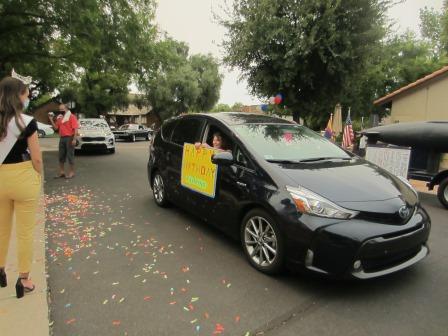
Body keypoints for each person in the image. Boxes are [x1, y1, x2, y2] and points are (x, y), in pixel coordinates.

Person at [0, 76, 42, 298]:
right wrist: (38, 175)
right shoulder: (27, 122)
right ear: (18, 96)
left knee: (1, 229)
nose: (28, 98)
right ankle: (23, 279)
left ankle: (0, 271)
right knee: (24, 232)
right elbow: (36, 158)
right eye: (26, 94)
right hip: (23, 178)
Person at [48, 103, 79, 179]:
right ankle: (62, 172)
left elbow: (75, 129)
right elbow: (55, 128)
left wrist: (74, 139)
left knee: (70, 155)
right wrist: (51, 119)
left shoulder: (72, 117)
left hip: (70, 137)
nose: (60, 111)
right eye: (60, 109)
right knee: (61, 156)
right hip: (62, 138)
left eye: (62, 109)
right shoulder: (60, 118)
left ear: (67, 109)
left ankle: (72, 172)